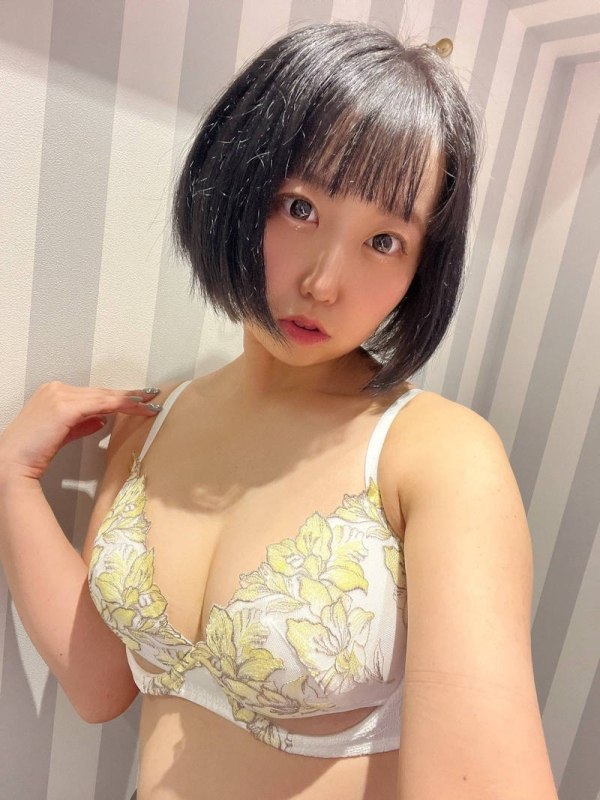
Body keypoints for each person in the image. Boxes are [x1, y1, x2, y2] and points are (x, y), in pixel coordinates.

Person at [0, 21, 559, 800]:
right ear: (234, 185)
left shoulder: (440, 457)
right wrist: (14, 477)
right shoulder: (154, 420)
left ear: (422, 269)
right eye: (300, 207)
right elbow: (101, 685)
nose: (324, 282)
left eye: (385, 241)